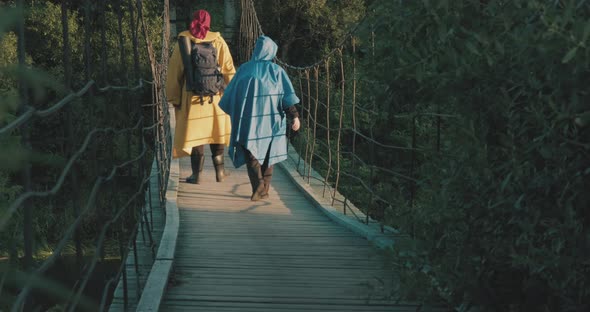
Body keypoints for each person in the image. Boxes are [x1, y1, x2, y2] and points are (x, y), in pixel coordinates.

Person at [219, 35, 301, 201]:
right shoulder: (277, 71)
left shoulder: (244, 69)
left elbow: (229, 95)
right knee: (270, 154)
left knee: (251, 153)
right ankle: (265, 188)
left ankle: (258, 186)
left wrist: (235, 111)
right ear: (272, 51)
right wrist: (295, 117)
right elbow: (287, 98)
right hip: (271, 122)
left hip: (248, 122)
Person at [166, 9, 236, 184]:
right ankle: (220, 171)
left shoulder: (184, 41)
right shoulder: (218, 40)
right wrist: (232, 94)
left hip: (192, 96)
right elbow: (229, 69)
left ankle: (196, 175)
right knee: (216, 132)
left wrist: (174, 97)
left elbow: (175, 72)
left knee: (197, 135)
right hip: (216, 96)